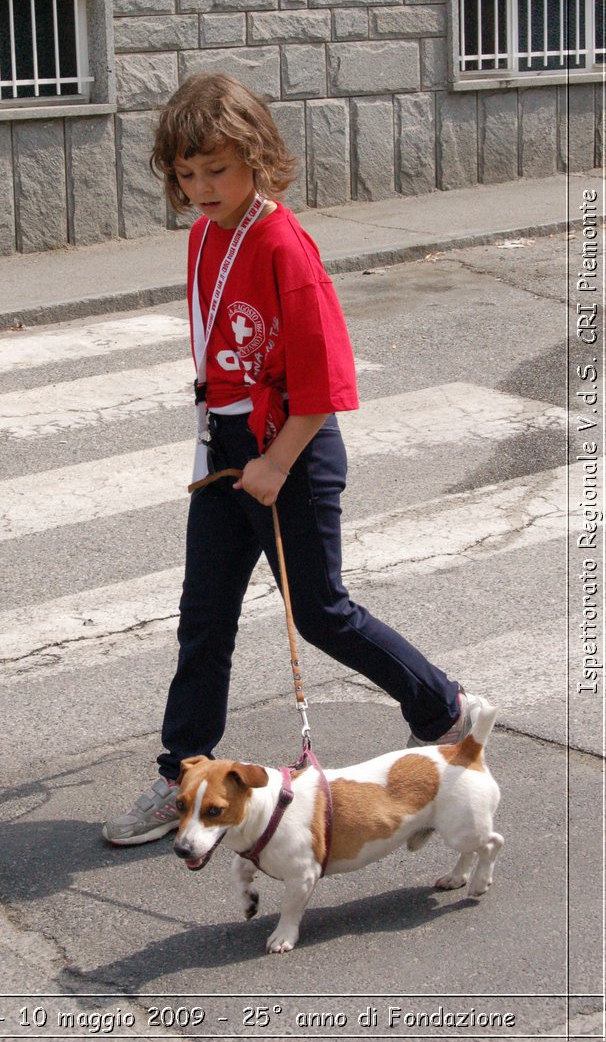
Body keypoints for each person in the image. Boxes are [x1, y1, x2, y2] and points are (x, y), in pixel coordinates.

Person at [102, 73, 481, 846]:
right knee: (203, 617)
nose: (200, 188)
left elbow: (323, 379)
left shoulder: (282, 242)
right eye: (185, 173)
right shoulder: (206, 234)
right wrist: (231, 443)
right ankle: (183, 770)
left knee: (319, 613)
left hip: (291, 454)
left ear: (257, 158)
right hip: (226, 452)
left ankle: (443, 708)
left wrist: (274, 461)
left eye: (217, 169)